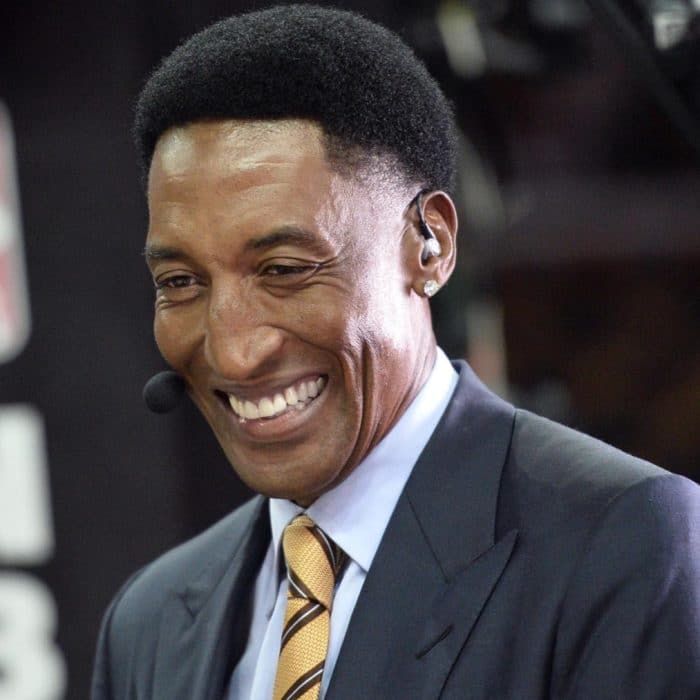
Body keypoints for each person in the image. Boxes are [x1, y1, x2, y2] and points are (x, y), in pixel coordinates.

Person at [91, 5, 700, 699]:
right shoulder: (148, 622)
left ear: (428, 245)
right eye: (180, 282)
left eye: (285, 270)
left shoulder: (619, 544)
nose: (233, 354)